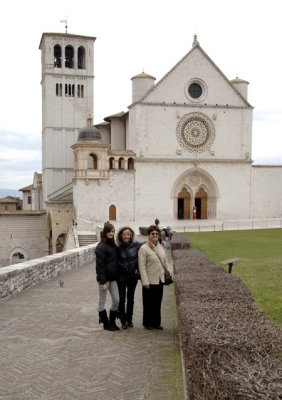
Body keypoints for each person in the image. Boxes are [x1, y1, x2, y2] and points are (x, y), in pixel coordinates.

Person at [138, 225, 170, 330]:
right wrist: (145, 281)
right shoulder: (143, 248)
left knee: (157, 303)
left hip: (160, 279)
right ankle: (148, 323)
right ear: (148, 235)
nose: (155, 235)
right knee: (148, 304)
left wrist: (167, 272)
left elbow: (165, 260)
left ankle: (157, 323)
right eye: (153, 234)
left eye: (157, 233)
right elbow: (141, 266)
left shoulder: (160, 246)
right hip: (149, 280)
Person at [95, 223, 120, 331]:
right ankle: (105, 323)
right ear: (105, 232)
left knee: (116, 300)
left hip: (113, 278)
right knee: (102, 300)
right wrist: (103, 282)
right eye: (109, 231)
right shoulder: (100, 247)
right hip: (104, 279)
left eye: (113, 231)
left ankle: (112, 321)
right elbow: (99, 266)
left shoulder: (113, 245)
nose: (111, 233)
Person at [116, 227, 143, 329]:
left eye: (128, 235)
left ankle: (129, 319)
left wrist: (160, 241)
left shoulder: (136, 245)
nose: (126, 236)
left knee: (131, 299)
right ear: (121, 236)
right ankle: (123, 320)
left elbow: (147, 243)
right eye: (124, 235)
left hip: (132, 276)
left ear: (131, 236)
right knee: (122, 299)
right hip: (121, 276)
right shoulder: (117, 247)